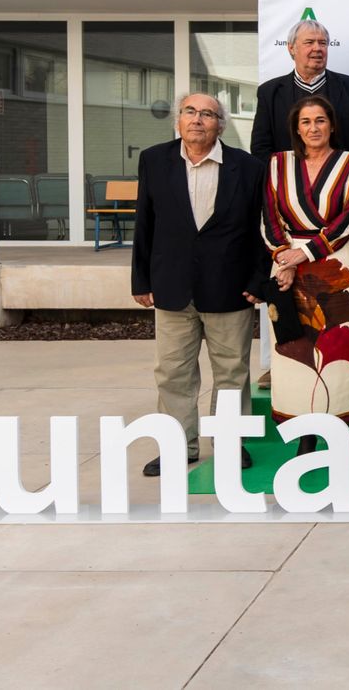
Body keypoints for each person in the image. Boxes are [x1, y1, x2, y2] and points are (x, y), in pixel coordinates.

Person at [130, 93, 266, 477]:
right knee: (172, 372)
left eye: (207, 114)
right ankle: (178, 446)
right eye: (190, 112)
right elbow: (145, 224)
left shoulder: (249, 168)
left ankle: (229, 442)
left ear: (220, 124)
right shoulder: (155, 160)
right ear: (178, 120)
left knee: (231, 372)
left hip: (230, 287)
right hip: (171, 287)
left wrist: (260, 280)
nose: (197, 120)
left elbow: (262, 231)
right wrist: (140, 278)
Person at [259, 96, 349, 449]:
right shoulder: (278, 164)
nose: (313, 128)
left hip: (339, 265)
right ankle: (305, 432)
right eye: (306, 122)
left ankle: (339, 429)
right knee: (295, 347)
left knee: (340, 351)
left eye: (320, 120)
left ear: (332, 125)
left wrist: (302, 254)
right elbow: (269, 217)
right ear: (296, 128)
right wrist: (283, 259)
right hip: (287, 268)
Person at [251, 18, 349, 158]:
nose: (317, 48)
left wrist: (347, 172)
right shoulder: (269, 92)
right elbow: (260, 146)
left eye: (322, 43)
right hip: (286, 177)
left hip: (342, 177)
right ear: (291, 48)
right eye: (309, 42)